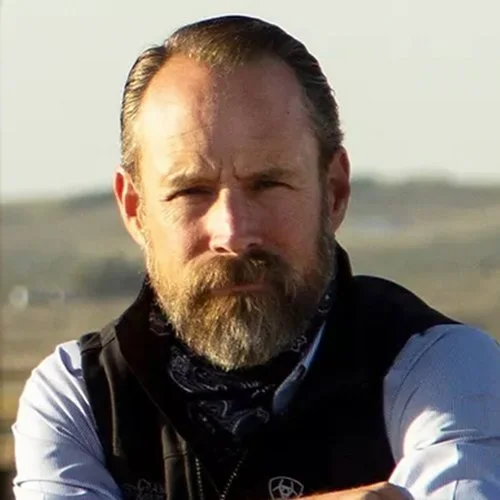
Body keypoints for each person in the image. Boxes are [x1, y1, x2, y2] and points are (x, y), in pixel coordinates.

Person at [12, 14, 500, 500]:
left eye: (268, 184)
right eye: (191, 191)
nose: (233, 233)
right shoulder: (82, 397)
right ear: (135, 209)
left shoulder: (441, 368)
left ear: (334, 191)